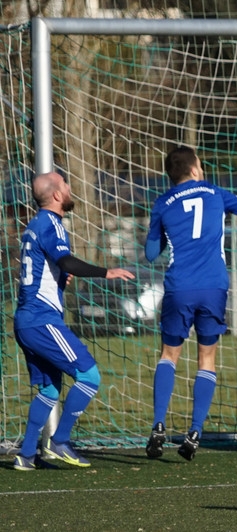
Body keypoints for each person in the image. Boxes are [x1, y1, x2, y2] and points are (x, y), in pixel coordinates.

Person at [143, 146, 237, 461]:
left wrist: (169, 234)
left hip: (179, 286)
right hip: (213, 286)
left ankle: (158, 424)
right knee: (206, 358)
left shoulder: (162, 203)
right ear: (196, 168)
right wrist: (227, 206)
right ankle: (195, 431)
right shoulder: (214, 192)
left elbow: (151, 254)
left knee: (169, 354)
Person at [13, 171, 136, 470]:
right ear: (57, 195)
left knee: (50, 390)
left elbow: (48, 268)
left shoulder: (33, 226)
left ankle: (27, 455)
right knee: (89, 376)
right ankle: (61, 440)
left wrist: (58, 277)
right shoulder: (51, 222)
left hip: (27, 320)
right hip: (41, 320)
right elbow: (66, 261)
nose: (70, 188)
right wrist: (105, 271)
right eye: (66, 184)